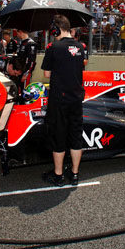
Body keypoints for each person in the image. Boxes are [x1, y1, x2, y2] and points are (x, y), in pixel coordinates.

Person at [41, 15, 86, 187]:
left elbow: (46, 74)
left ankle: (58, 175)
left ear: (57, 29)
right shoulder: (80, 47)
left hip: (59, 99)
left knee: (58, 136)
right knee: (75, 136)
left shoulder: (53, 47)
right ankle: (74, 174)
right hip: (76, 98)